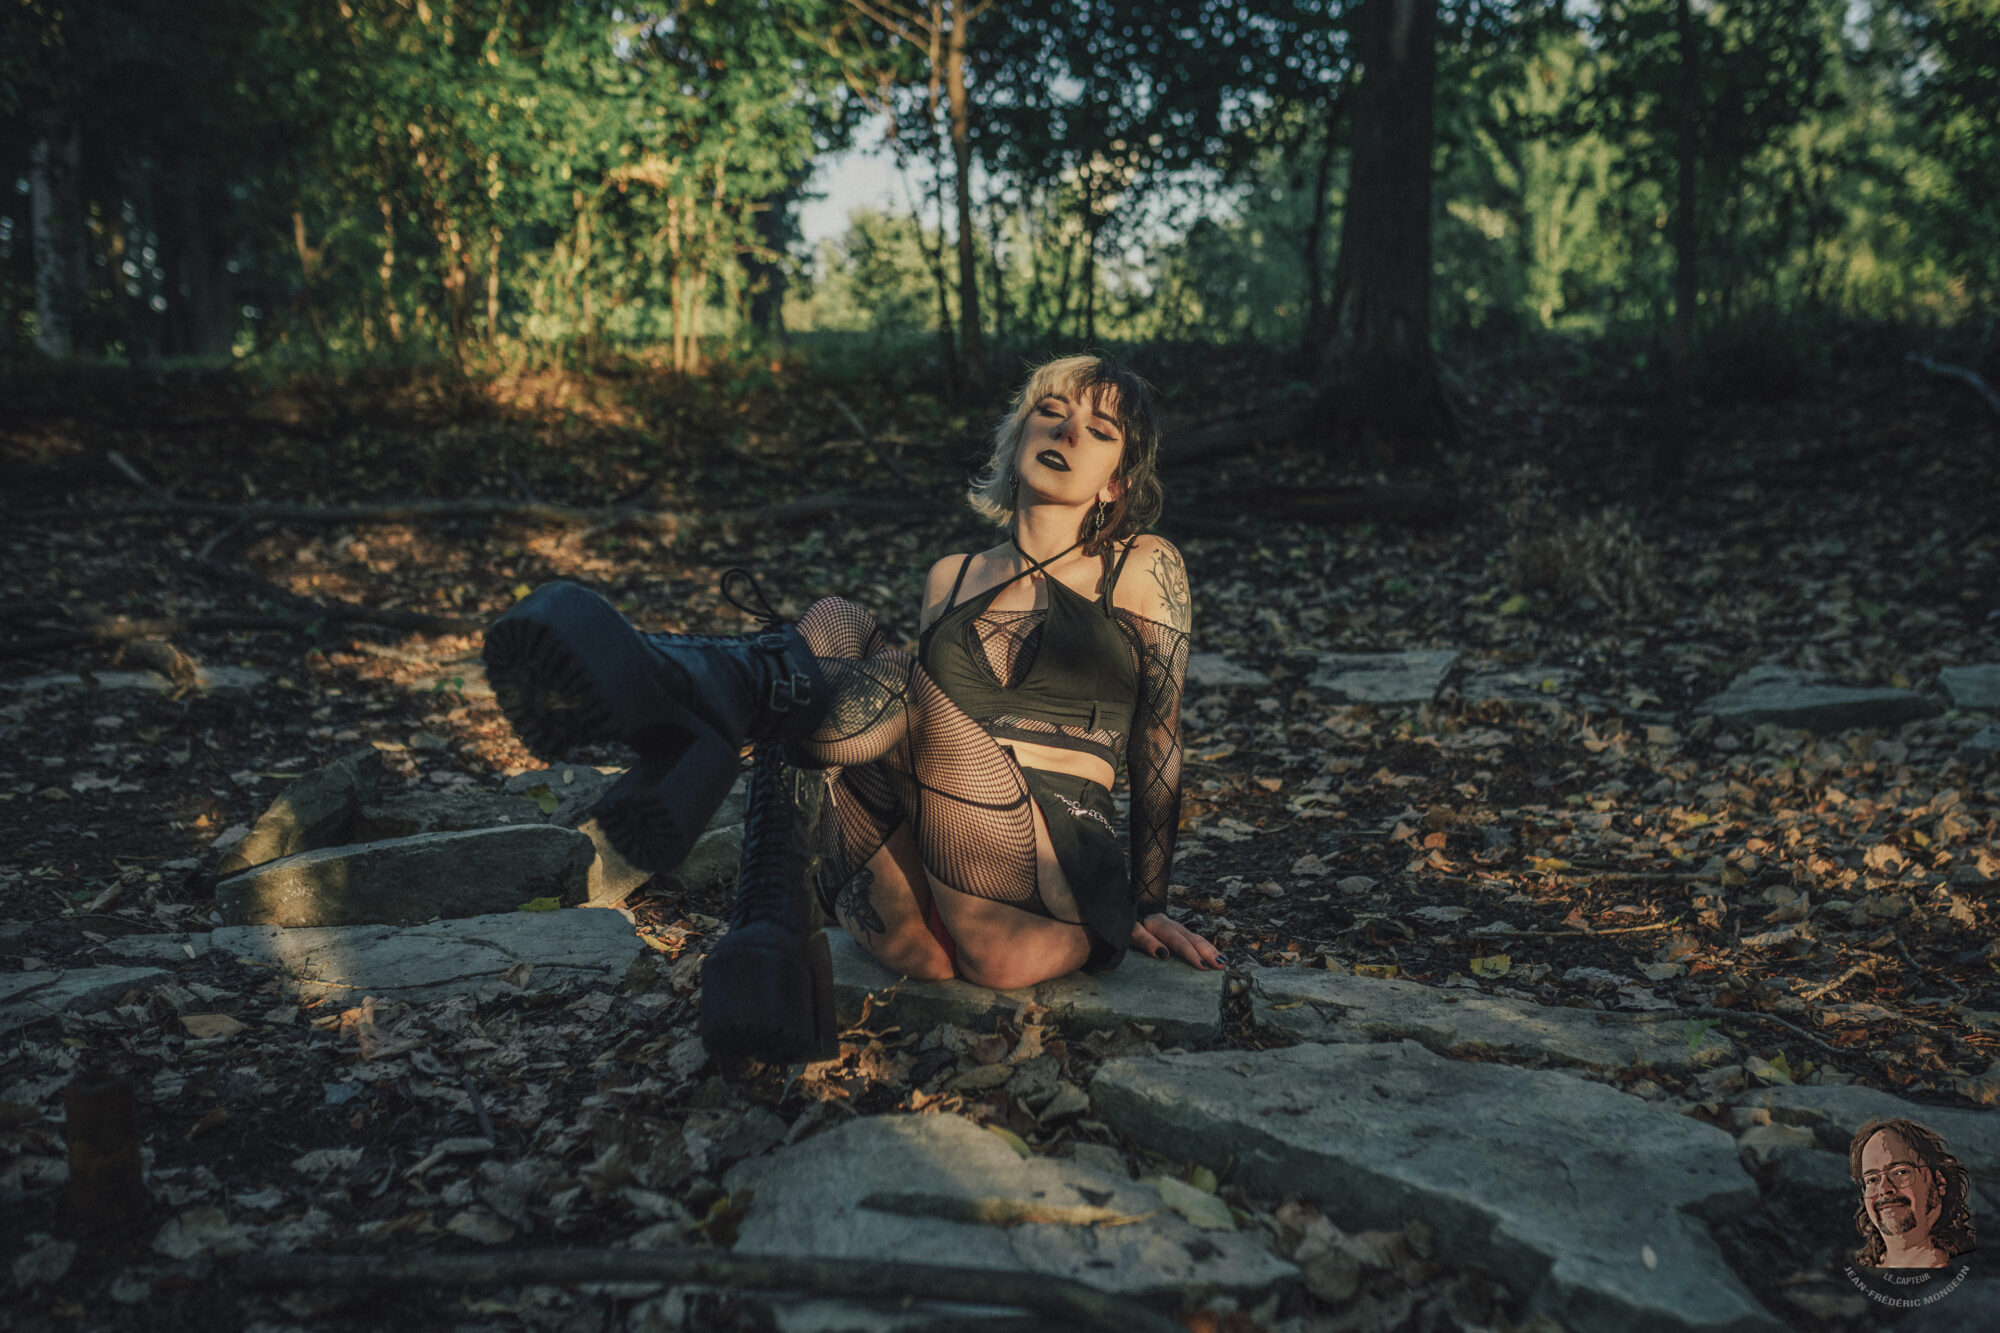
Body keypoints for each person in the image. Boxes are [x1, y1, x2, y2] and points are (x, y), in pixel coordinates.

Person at [482, 354, 1218, 1063]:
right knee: (836, 622)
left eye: (1098, 429)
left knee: (886, 679)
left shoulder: (1141, 563)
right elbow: (886, 729)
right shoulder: (952, 577)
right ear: (1017, 435)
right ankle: (768, 922)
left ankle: (694, 699)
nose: (1067, 431)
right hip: (918, 922)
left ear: (1116, 484)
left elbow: (1158, 737)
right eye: (1050, 412)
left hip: (1040, 900)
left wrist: (1149, 901)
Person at [1849, 1116, 1976, 1269]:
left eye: (1901, 1172)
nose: (1884, 1189)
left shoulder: (1974, 1268)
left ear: (1939, 1182)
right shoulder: (1858, 1271)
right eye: (1872, 1179)